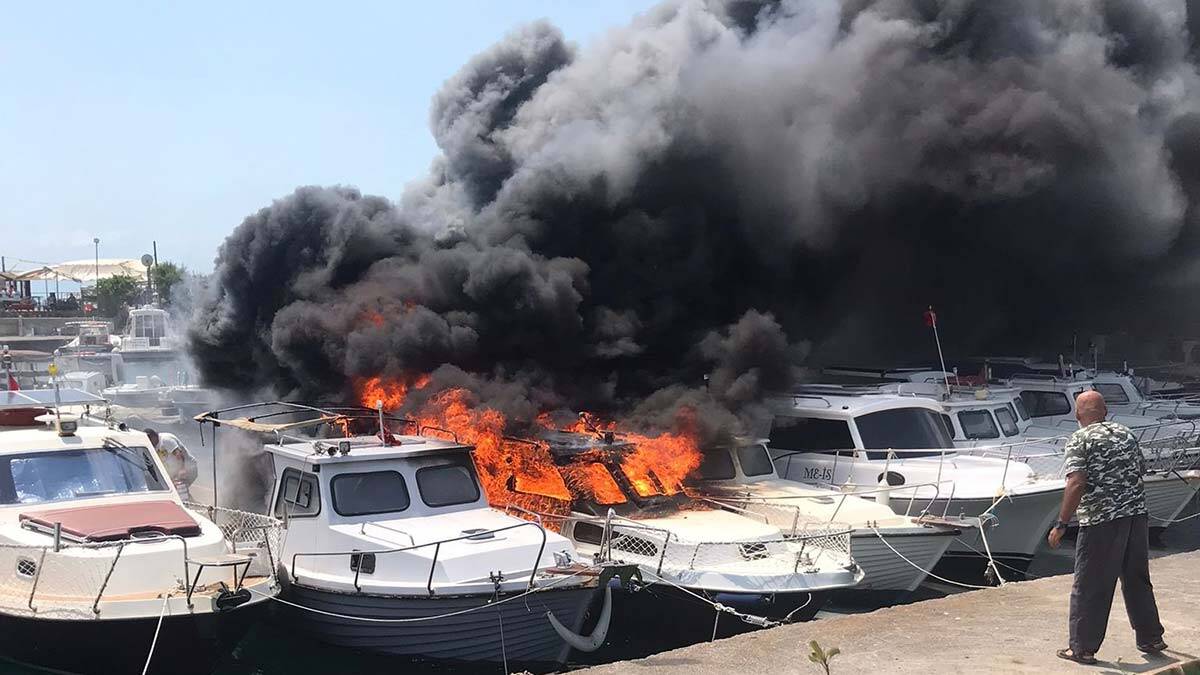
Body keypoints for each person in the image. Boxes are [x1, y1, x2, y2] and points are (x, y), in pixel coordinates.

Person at [1049, 390, 1166, 665]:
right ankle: (1151, 637)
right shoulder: (1126, 433)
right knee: (1137, 579)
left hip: (1101, 521)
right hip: (1136, 517)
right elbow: (1140, 469)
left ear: (1078, 416)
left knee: (1090, 585)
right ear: (1106, 411)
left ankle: (1082, 648)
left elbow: (1076, 482)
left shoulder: (1080, 438)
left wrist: (1061, 524)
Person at [145, 428, 199, 501]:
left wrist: (182, 469)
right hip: (175, 473)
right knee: (175, 491)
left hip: (188, 468)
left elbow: (179, 454)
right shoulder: (153, 446)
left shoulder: (166, 440)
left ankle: (191, 506)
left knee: (180, 490)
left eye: (149, 441)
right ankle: (194, 505)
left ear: (153, 437)